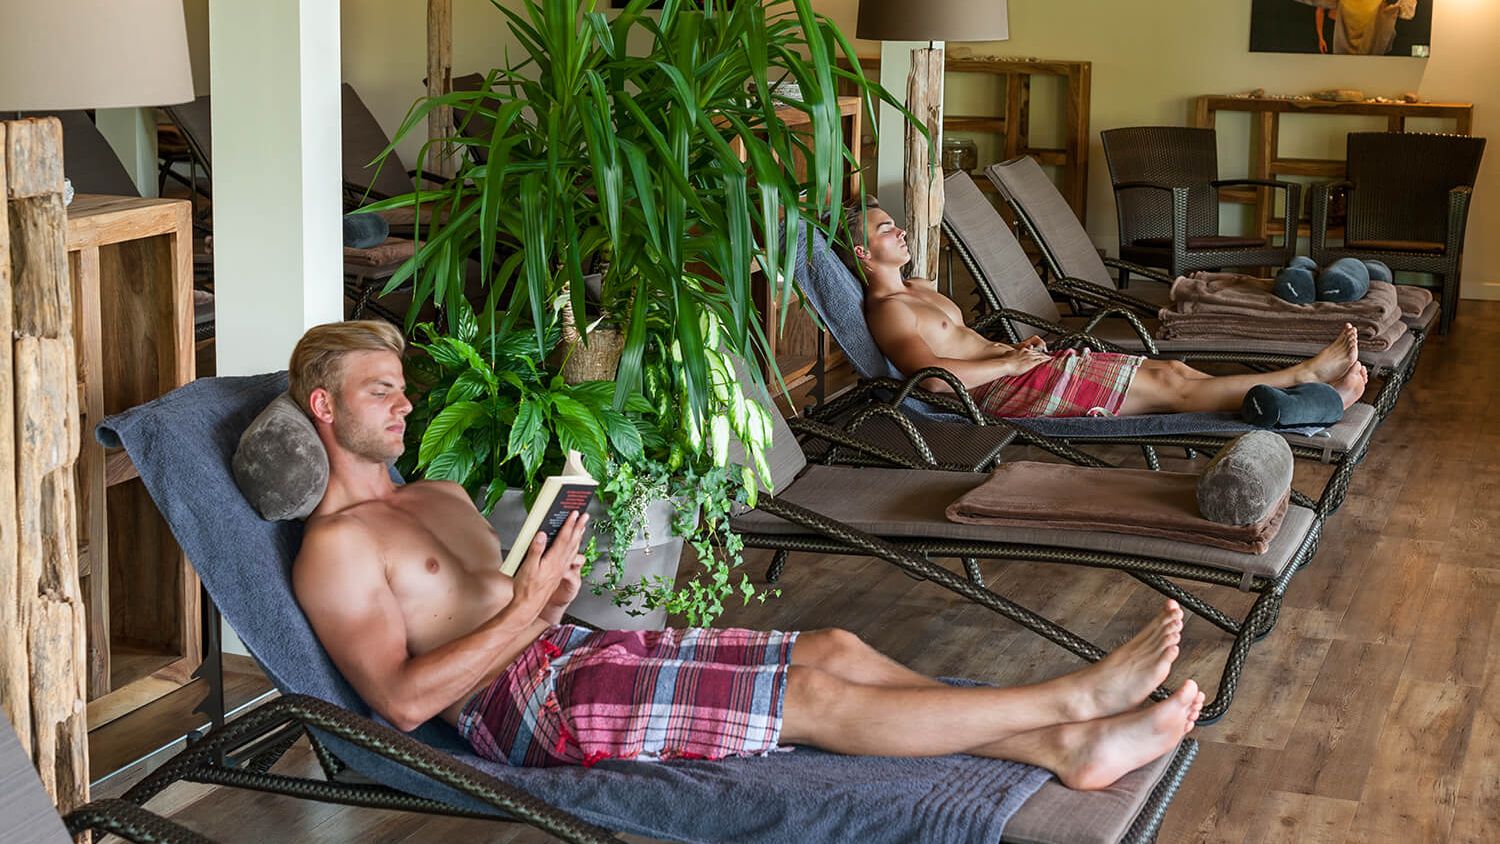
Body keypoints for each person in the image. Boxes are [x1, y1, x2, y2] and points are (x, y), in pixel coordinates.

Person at [288, 320, 1203, 790]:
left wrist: (551, 597)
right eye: (380, 393)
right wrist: (527, 613)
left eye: (403, 390)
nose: (404, 408)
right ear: (325, 410)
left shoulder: (440, 495)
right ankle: (1072, 704)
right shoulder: (336, 547)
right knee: (810, 700)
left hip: (571, 656)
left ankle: (1062, 746)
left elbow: (510, 613)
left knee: (836, 647)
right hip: (533, 712)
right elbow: (401, 705)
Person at [838, 198, 1369, 419]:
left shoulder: (917, 290)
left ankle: (1309, 393)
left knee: (1173, 371)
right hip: (1004, 389)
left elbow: (956, 341)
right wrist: (1009, 364)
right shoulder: (888, 310)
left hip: (1024, 368)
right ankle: (1308, 381)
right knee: (1170, 390)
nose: (900, 229)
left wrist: (1015, 352)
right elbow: (931, 380)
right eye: (887, 229)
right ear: (864, 253)